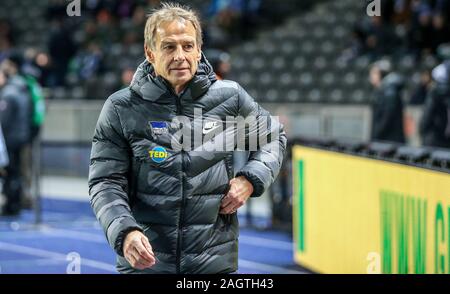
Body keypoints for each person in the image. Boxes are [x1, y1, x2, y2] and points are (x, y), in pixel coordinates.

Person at [88, 2, 287, 274]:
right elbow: (105, 181)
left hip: (213, 263)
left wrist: (249, 180)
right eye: (169, 46)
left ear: (198, 50)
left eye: (187, 46)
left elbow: (272, 138)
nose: (180, 55)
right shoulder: (121, 108)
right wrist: (125, 232)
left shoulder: (230, 97)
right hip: (147, 264)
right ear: (150, 52)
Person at [0, 59, 32, 216]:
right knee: (18, 173)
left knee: (10, 173)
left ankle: (11, 205)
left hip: (11, 140)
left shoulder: (9, 93)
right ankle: (17, 203)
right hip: (22, 136)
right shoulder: (23, 89)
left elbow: (3, 121)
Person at [369, 59, 406, 143]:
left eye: (373, 73)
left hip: (388, 141)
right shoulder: (382, 91)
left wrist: (376, 136)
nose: (371, 76)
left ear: (381, 74)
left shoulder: (390, 93)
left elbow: (386, 119)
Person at [419, 60, 450, 148]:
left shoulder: (435, 92)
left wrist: (423, 132)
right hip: (437, 137)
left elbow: (426, 117)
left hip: (435, 138)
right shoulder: (436, 93)